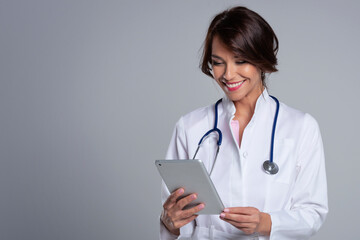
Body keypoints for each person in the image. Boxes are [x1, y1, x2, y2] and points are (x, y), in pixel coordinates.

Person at [160, 6, 328, 240]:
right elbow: (177, 220)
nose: (228, 75)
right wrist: (170, 223)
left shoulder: (301, 127)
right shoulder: (190, 127)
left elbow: (313, 213)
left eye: (240, 61)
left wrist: (266, 223)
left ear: (261, 60)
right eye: (218, 62)